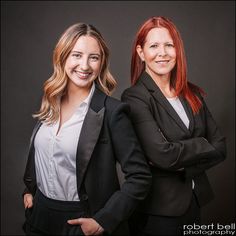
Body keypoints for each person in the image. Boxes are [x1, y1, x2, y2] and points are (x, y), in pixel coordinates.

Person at [22, 22, 152, 236]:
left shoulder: (113, 112)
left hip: (81, 223)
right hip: (38, 218)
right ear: (62, 57)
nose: (85, 65)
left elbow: (140, 177)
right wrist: (29, 190)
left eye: (94, 57)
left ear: (101, 63)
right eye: (76, 55)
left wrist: (103, 221)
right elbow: (44, 155)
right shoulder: (50, 102)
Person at [121, 16, 227, 236]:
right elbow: (163, 154)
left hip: (195, 202)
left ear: (177, 50)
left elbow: (221, 147)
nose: (163, 53)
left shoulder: (192, 93)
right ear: (141, 53)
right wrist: (202, 144)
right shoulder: (134, 98)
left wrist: (182, 163)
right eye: (154, 46)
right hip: (158, 212)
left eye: (169, 45)